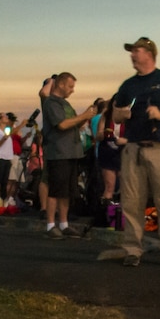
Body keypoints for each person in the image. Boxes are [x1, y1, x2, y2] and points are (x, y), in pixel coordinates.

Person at [111, 37, 160, 267]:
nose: (132, 55)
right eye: (131, 51)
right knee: (132, 202)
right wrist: (122, 114)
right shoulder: (128, 85)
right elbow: (115, 115)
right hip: (133, 148)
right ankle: (133, 249)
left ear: (149, 53)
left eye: (136, 50)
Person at [38, 73, 94, 237]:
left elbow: (73, 123)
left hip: (71, 152)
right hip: (58, 152)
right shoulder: (51, 103)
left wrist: (85, 116)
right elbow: (62, 124)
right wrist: (83, 116)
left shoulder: (66, 104)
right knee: (56, 189)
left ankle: (64, 224)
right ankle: (50, 225)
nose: (72, 90)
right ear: (61, 85)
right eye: (70, 86)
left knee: (67, 191)